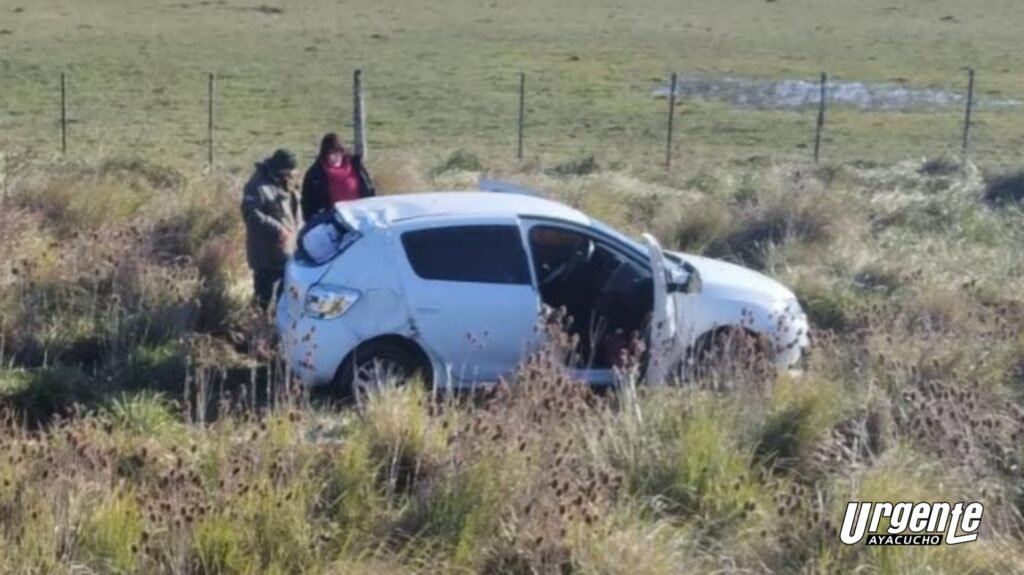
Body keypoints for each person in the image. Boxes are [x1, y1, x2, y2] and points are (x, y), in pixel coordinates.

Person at [241, 148, 301, 311]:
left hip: (288, 249)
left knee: (285, 294)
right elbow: (251, 214)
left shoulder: (287, 181)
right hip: (265, 253)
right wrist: (278, 229)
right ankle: (255, 326)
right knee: (263, 297)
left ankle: (276, 324)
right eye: (289, 170)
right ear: (280, 168)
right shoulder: (257, 185)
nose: (292, 173)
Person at [300, 133, 375, 221]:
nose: (334, 157)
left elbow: (369, 188)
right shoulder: (315, 174)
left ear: (343, 151)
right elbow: (307, 202)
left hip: (359, 216)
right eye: (330, 153)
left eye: (337, 152)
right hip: (330, 221)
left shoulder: (356, 166)